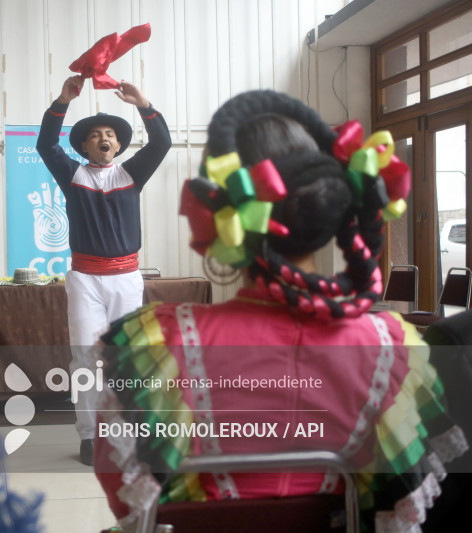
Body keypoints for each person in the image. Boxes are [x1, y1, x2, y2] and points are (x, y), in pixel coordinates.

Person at [93, 90, 468, 531]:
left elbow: (125, 498)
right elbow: (398, 502)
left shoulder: (155, 343)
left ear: (217, 212)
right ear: (332, 209)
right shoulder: (393, 346)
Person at [36, 75, 171, 465]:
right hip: (85, 280)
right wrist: (63, 99)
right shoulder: (72, 175)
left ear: (119, 144)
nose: (103, 138)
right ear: (83, 145)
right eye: (95, 134)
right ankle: (90, 436)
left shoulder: (132, 174)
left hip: (127, 279)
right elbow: (45, 144)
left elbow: (161, 141)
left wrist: (142, 101)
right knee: (86, 359)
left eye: (110, 133)